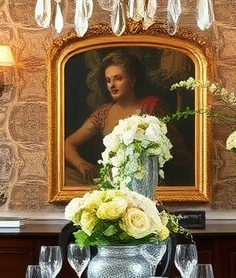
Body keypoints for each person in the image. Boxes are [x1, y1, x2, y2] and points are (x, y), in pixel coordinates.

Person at [64, 51, 166, 183]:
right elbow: (68, 144)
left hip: (143, 180)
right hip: (111, 179)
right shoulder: (103, 113)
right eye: (108, 80)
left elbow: (167, 151)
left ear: (133, 80)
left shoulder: (151, 107)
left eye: (118, 78)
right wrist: (81, 164)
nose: (112, 85)